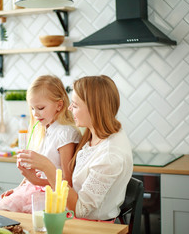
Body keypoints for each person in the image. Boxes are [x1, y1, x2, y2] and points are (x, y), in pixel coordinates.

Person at [17, 75, 133, 220]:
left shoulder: (110, 155)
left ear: (94, 109)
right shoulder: (96, 134)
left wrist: (48, 167)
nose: (69, 109)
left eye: (75, 105)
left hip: (92, 227)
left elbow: (80, 210)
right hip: (70, 215)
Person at [0, 75, 81, 213]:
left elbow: (67, 182)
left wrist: (37, 182)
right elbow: (33, 174)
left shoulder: (65, 134)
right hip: (34, 191)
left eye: (40, 108)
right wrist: (18, 189)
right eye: (32, 108)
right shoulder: (42, 130)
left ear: (59, 105)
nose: (35, 114)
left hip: (53, 196)